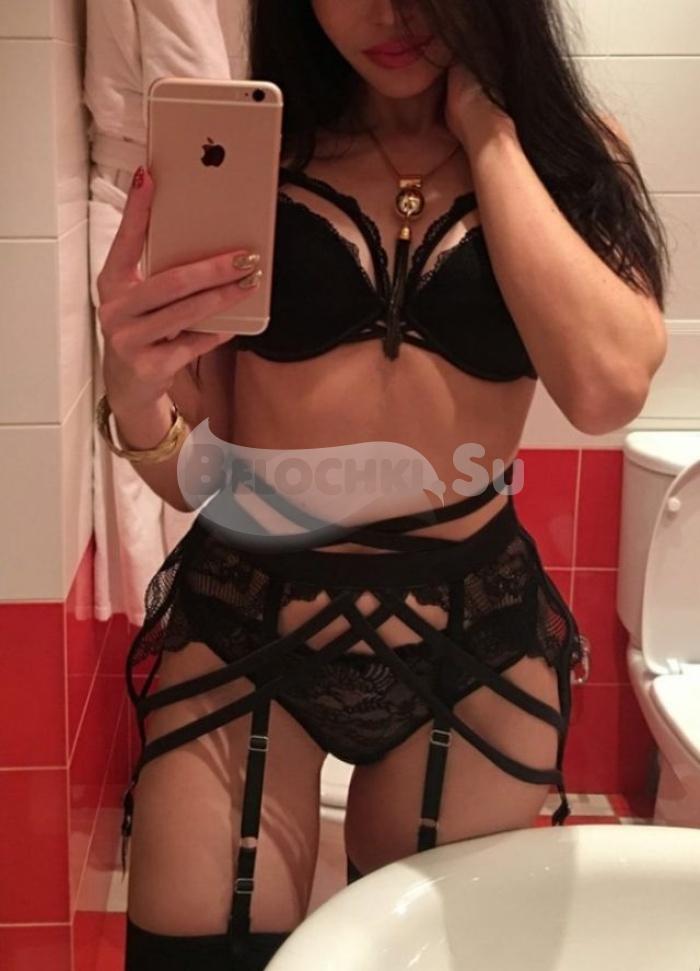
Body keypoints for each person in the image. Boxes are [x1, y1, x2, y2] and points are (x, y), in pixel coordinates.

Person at [94, 1, 669, 968]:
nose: (391, 11)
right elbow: (193, 474)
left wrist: (489, 130)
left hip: (473, 648)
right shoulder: (259, 160)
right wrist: (131, 387)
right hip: (248, 623)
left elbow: (605, 388)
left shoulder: (568, 161)